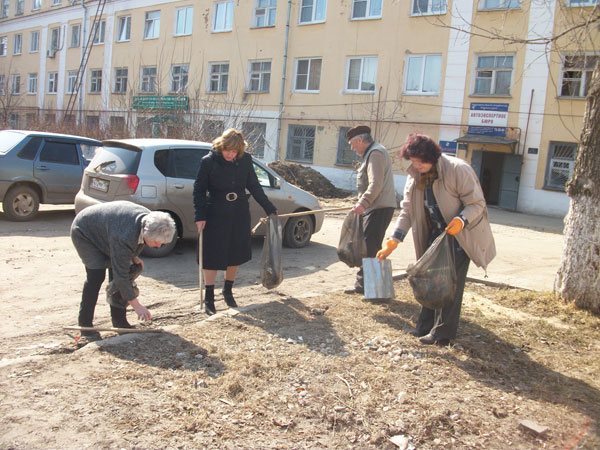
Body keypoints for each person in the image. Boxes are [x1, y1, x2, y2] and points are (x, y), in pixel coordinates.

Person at [377, 133, 496, 345]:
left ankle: (443, 334)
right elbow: (407, 211)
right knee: (428, 279)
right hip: (435, 235)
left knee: (449, 285)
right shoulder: (414, 176)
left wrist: (461, 220)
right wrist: (394, 240)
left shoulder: (458, 170)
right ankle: (424, 326)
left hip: (460, 236)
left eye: (421, 161)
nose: (417, 165)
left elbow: (477, 204)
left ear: (433, 157)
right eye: (413, 161)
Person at [193, 128, 277, 315]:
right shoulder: (208, 162)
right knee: (212, 255)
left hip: (239, 211)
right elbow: (198, 190)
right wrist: (200, 216)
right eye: (227, 150)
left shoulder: (245, 160)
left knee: (235, 253)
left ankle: (228, 291)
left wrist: (268, 206)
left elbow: (254, 186)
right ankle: (209, 297)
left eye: (234, 151)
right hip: (215, 212)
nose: (230, 154)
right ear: (220, 146)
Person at [70, 201, 176, 339]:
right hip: (86, 232)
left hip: (109, 231)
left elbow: (133, 245)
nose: (159, 245)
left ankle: (119, 322)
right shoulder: (125, 235)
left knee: (123, 272)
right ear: (146, 232)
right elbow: (121, 276)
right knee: (96, 277)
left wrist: (133, 256)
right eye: (157, 242)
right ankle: (85, 325)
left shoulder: (152, 221)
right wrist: (136, 305)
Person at [344, 125, 397, 294]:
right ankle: (366, 286)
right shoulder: (372, 152)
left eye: (352, 144)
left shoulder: (375, 153)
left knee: (370, 247)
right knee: (370, 246)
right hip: (376, 206)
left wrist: (363, 203)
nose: (352, 148)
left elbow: (376, 184)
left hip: (379, 207)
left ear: (360, 140)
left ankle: (372, 289)